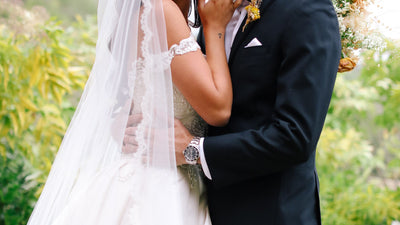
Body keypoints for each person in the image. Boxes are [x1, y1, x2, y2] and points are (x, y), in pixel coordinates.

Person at [27, 0, 241, 224]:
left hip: (166, 181)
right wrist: (214, 27)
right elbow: (218, 110)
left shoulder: (144, 16)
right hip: (160, 189)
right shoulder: (161, 11)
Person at [174, 0, 342, 224]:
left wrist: (193, 149)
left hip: (271, 213)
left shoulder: (307, 9)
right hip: (202, 208)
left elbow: (294, 136)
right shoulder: (214, 15)